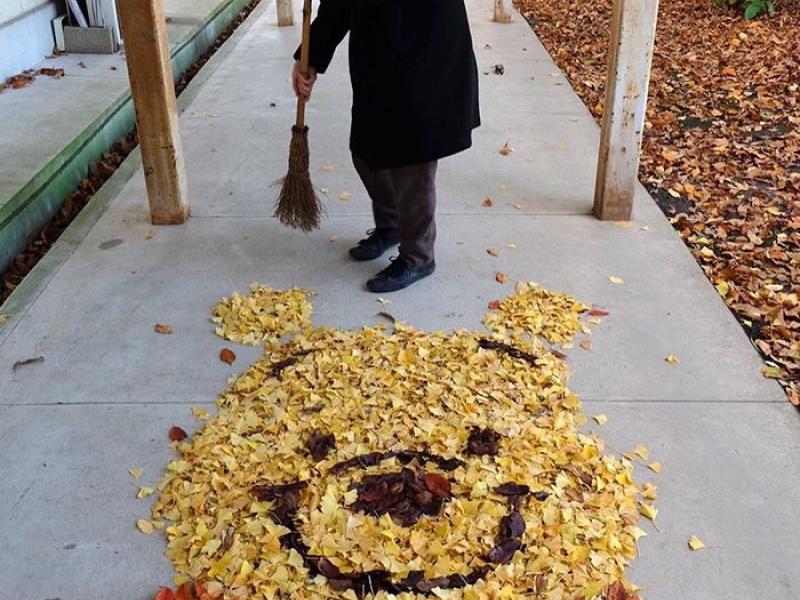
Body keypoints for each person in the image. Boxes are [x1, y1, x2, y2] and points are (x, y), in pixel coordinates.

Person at [291, 0, 480, 293]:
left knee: (413, 158)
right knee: (365, 151)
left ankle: (418, 256)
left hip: (427, 45)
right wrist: (311, 55)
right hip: (378, 51)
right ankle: (391, 225)